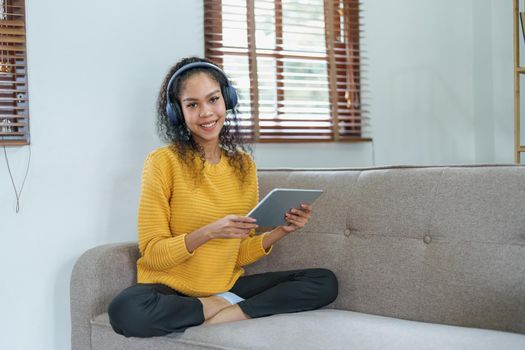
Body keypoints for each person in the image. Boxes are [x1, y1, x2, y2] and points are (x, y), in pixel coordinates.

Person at [107, 56, 338, 338]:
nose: (206, 113)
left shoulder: (243, 165)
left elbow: (238, 254)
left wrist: (280, 231)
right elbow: (154, 255)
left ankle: (223, 313)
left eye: (213, 99)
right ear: (177, 112)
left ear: (227, 99)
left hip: (225, 284)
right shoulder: (162, 162)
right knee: (125, 310)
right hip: (171, 291)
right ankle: (219, 306)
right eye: (192, 105)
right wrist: (210, 232)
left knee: (323, 281)